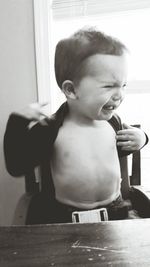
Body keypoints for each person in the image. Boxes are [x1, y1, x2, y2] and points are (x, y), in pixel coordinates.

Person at [4, 27, 148, 224]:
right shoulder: (51, 129)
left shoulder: (113, 123)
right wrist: (17, 123)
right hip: (65, 221)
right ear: (71, 89)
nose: (119, 95)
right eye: (108, 86)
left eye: (123, 85)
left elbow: (128, 145)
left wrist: (142, 138)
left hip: (116, 216)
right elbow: (17, 165)